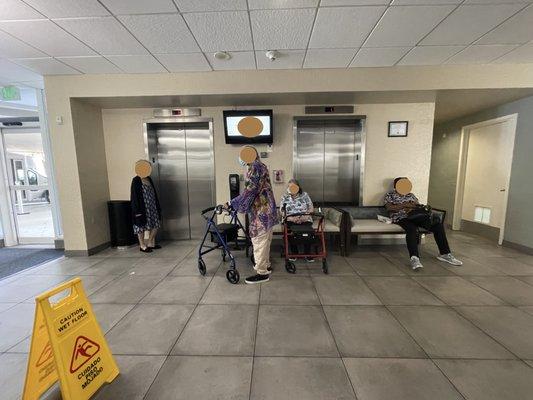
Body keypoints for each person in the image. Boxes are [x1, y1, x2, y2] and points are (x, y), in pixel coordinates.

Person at [384, 177, 462, 271]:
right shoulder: (390, 195)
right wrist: (404, 205)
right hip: (401, 218)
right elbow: (389, 208)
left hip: (415, 216)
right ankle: (414, 258)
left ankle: (445, 254)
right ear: (395, 186)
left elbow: (417, 205)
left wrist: (414, 206)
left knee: (438, 226)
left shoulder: (411, 195)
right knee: (412, 229)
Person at [228, 146, 277, 284]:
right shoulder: (262, 166)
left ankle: (262, 273)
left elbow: (250, 191)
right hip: (268, 211)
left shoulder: (255, 167)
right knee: (265, 241)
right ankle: (266, 266)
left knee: (259, 241)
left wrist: (232, 203)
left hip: (261, 212)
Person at [280, 179, 315, 262]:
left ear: (298, 187)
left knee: (307, 231)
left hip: (305, 218)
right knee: (290, 230)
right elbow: (281, 211)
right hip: (290, 218)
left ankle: (307, 254)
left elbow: (311, 208)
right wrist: (291, 218)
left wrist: (304, 217)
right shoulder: (285, 197)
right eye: (289, 187)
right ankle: (294, 253)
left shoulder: (305, 195)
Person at [130, 160, 162, 253]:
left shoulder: (149, 179)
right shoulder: (136, 180)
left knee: (156, 224)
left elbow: (154, 193)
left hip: (152, 206)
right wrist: (137, 211)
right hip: (142, 208)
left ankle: (150, 242)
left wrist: (157, 206)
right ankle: (142, 245)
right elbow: (134, 196)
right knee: (141, 226)